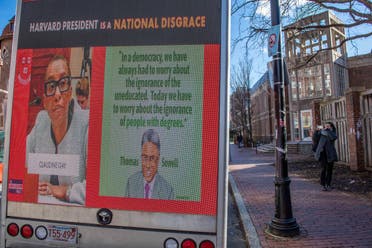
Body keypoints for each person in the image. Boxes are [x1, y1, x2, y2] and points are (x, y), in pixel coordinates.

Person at [27, 55, 88, 205]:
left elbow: (97, 187)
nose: (57, 95)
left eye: (63, 83)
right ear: (45, 100)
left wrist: (64, 191)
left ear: (70, 92)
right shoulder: (41, 121)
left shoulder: (86, 123)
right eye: (51, 86)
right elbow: (20, 165)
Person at [125, 129, 174, 199]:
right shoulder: (131, 183)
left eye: (152, 158)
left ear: (158, 159)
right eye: (145, 157)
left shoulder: (168, 191)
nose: (148, 165)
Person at [314, 122, 338, 191]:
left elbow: (333, 138)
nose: (327, 127)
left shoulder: (333, 133)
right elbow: (315, 139)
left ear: (331, 127)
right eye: (325, 126)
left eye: (328, 126)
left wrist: (327, 131)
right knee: (323, 169)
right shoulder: (321, 133)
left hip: (330, 154)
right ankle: (323, 185)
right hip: (323, 154)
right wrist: (317, 131)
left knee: (329, 170)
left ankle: (328, 184)